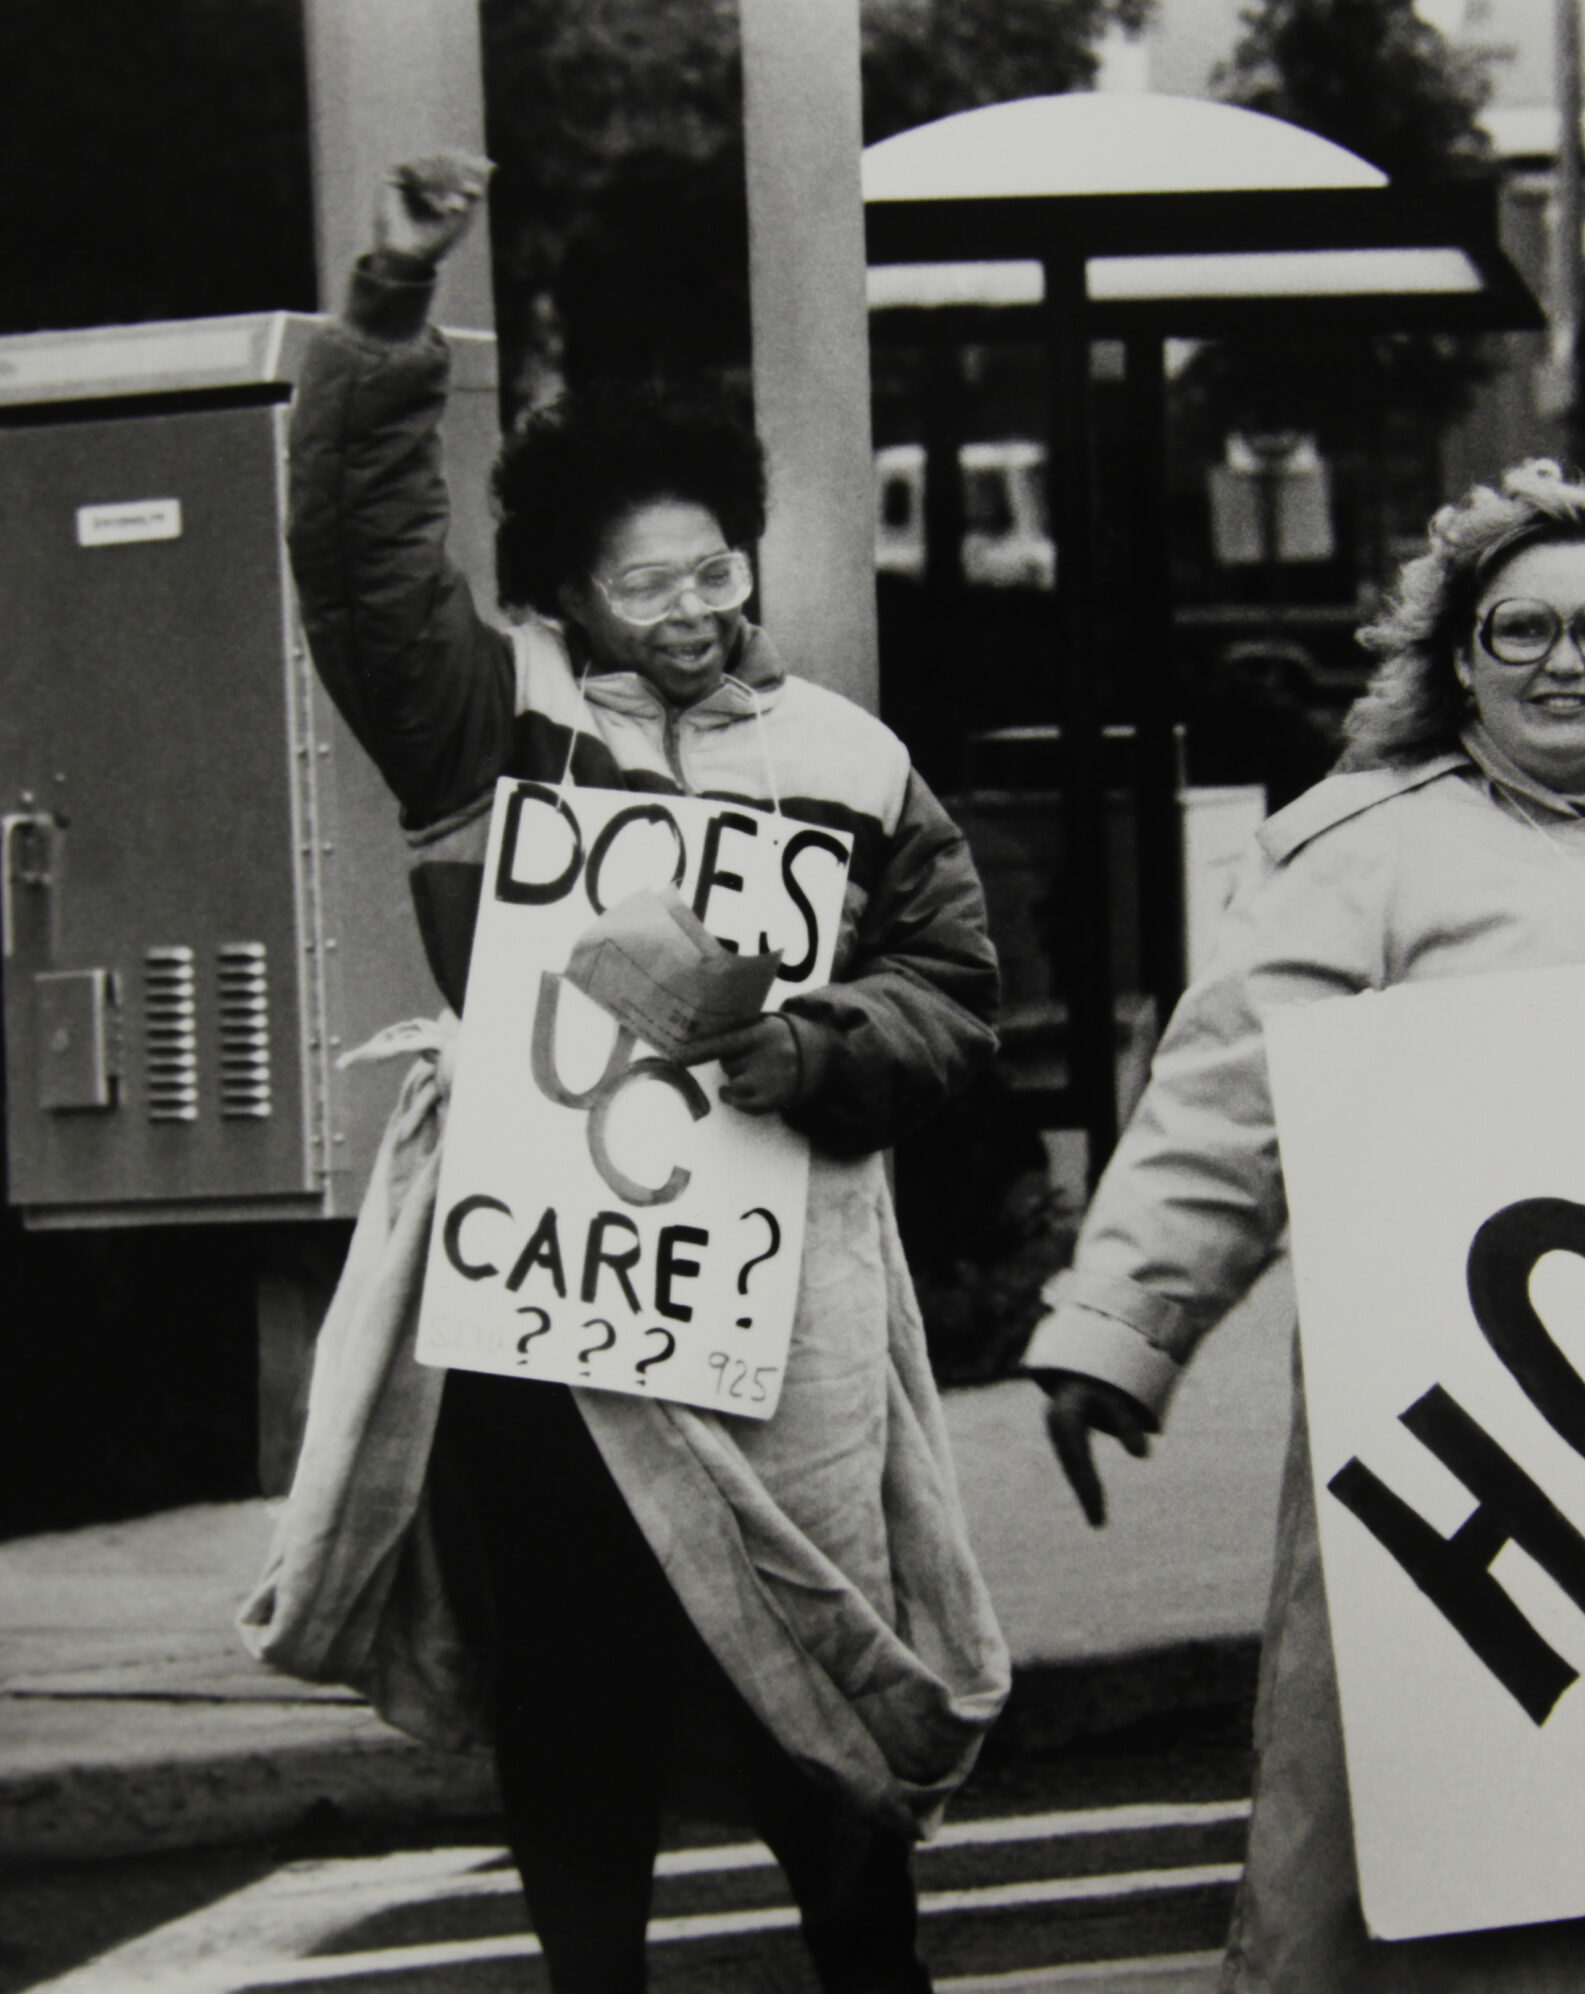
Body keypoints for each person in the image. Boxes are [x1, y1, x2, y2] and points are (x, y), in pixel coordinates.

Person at [255, 153, 1007, 1993]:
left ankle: (871, 1971)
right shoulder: (478, 714)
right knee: (574, 1681)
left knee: (818, 1652)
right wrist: (385, 308)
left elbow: (955, 982)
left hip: (785, 1287)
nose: (687, 606)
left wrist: (808, 1046)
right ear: (563, 589)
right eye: (639, 580)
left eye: (715, 567)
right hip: (544, 1304)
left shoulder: (848, 756)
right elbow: (357, 553)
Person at [1026, 462, 1585, 1994]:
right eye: (1520, 625)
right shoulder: (1363, 850)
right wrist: (1119, 1328)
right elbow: (1225, 1106)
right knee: (1456, 1871)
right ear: (1457, 653)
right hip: (1467, 1459)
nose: (1565, 660)